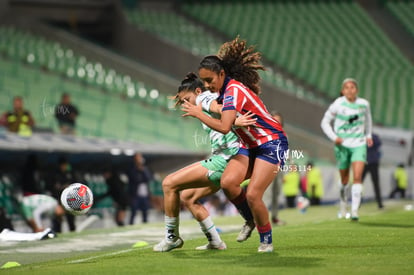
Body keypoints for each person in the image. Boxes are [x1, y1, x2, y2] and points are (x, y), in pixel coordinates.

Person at [182, 37, 289, 252]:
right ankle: (250, 219)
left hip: (272, 143)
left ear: (222, 74)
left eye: (210, 80)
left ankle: (266, 239)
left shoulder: (233, 91)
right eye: (204, 82)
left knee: (252, 194)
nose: (207, 85)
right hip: (248, 145)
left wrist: (198, 113)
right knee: (228, 183)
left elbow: (223, 126)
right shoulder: (222, 91)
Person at [153, 73, 254, 252]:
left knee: (169, 183)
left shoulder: (205, 97)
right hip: (229, 159)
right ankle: (215, 241)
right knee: (188, 197)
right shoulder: (205, 100)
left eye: (188, 99)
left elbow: (219, 107)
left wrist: (235, 119)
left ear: (198, 91)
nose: (186, 104)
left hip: (224, 160)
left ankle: (171, 238)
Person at [321, 78, 373, 221]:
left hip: (359, 143)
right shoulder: (338, 104)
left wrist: (368, 135)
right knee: (344, 180)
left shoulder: (363, 104)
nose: (350, 90)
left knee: (357, 177)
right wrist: (334, 137)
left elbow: (368, 121)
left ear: (357, 90)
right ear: (342, 91)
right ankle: (343, 205)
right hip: (342, 145)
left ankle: (355, 211)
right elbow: (324, 122)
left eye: (352, 87)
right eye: (347, 88)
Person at [46, 156, 77, 232]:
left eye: (65, 165)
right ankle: (58, 233)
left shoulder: (70, 173)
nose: (64, 167)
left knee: (71, 220)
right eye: (63, 165)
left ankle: (73, 232)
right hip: (58, 200)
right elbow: (49, 187)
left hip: (70, 201)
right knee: (58, 220)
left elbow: (75, 185)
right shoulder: (55, 174)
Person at [127, 153, 153, 225]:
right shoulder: (131, 168)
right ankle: (131, 224)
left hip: (144, 194)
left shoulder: (144, 168)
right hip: (135, 194)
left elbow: (148, 178)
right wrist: (138, 169)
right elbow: (135, 179)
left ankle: (145, 223)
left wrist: (142, 170)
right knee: (134, 211)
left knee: (145, 211)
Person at [270, 111, 285, 225]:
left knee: (276, 194)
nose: (277, 122)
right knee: (266, 195)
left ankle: (274, 217)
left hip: (279, 169)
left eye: (278, 120)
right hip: (267, 168)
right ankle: (261, 220)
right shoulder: (265, 133)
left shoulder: (284, 135)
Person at [362, 133, 383, 209]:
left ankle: (379, 203)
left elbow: (378, 144)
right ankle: (357, 202)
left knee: (376, 183)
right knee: (359, 183)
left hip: (373, 162)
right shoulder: (362, 136)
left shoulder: (374, 136)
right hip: (364, 162)